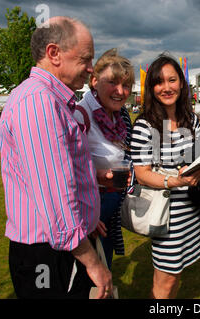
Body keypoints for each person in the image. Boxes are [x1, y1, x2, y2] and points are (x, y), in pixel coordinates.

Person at [0, 17, 113, 299]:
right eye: (85, 58)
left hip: (58, 245)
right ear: (54, 53)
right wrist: (94, 263)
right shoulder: (39, 102)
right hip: (49, 253)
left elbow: (59, 175)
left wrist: (86, 216)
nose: (90, 67)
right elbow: (56, 202)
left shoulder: (49, 99)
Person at [130, 54, 200, 299]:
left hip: (190, 211)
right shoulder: (145, 125)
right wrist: (174, 181)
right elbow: (142, 175)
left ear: (182, 83)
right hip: (165, 214)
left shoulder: (191, 120)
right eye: (159, 82)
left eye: (172, 80)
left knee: (177, 274)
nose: (166, 88)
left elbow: (194, 159)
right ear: (151, 88)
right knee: (165, 279)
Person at [74, 48, 134, 270]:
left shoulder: (120, 115)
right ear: (94, 81)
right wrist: (85, 214)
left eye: (126, 85)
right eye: (113, 83)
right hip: (89, 207)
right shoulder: (80, 115)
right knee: (87, 273)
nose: (120, 91)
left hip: (111, 203)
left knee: (105, 266)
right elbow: (64, 168)